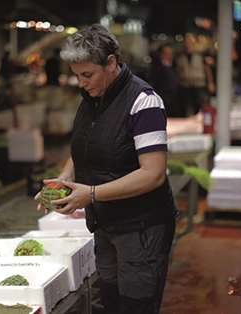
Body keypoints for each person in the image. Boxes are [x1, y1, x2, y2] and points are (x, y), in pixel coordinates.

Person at [34, 24, 178, 314]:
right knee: (110, 302)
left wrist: (92, 194)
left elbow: (153, 174)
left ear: (111, 63)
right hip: (105, 223)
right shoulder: (92, 100)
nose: (81, 83)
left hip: (141, 228)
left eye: (87, 74)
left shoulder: (144, 102)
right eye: (76, 76)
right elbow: (88, 146)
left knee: (136, 305)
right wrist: (63, 180)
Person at [174, 34, 215, 117]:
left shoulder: (199, 56)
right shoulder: (179, 57)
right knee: (183, 108)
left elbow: (207, 69)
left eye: (189, 42)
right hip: (184, 85)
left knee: (199, 106)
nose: (187, 45)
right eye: (185, 43)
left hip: (198, 84)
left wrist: (210, 83)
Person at [150, 44, 177, 117]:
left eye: (170, 53)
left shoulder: (173, 64)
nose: (168, 56)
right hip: (163, 94)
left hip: (172, 94)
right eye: (166, 53)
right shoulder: (158, 66)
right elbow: (154, 80)